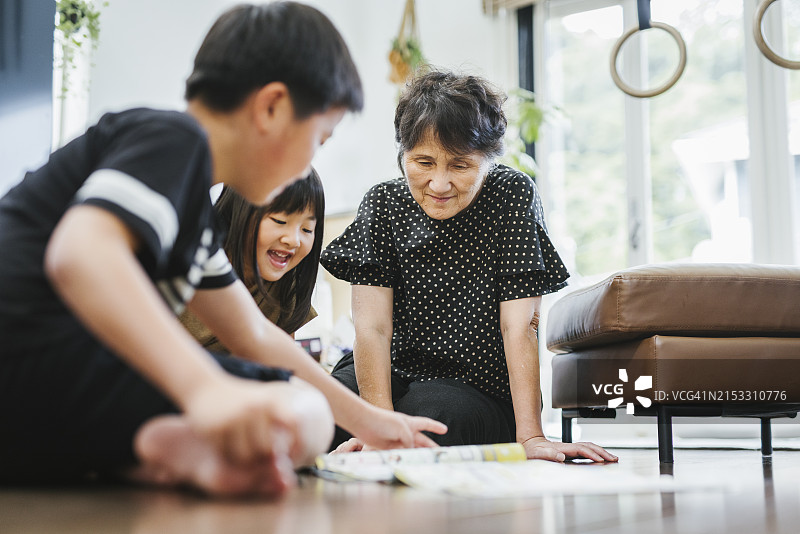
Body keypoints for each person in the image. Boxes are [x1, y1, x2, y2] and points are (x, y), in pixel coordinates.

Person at [0, 2, 444, 498]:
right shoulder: (172, 138)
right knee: (297, 410)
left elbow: (253, 333)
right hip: (28, 359)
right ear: (271, 107)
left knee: (309, 416)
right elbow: (80, 255)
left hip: (42, 406)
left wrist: (372, 420)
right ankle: (163, 448)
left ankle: (157, 453)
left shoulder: (191, 213)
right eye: (319, 138)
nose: (309, 162)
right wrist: (204, 389)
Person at [322, 70, 617, 463]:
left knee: (431, 420)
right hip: (388, 371)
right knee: (314, 413)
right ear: (402, 155)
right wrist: (377, 426)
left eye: (460, 166)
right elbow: (372, 329)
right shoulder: (383, 203)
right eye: (423, 162)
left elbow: (520, 326)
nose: (439, 184)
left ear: (488, 160)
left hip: (471, 386)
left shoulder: (511, 195)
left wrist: (530, 437)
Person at [180, 169, 324, 349]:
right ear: (241, 211)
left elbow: (280, 363)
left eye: (307, 229)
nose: (293, 240)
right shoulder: (190, 262)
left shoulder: (286, 287)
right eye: (279, 221)